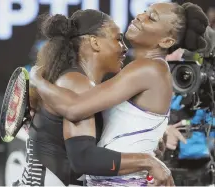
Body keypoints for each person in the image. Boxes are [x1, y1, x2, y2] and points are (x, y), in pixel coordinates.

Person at [30, 2, 209, 186]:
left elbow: (75, 108)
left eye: (152, 17)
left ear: (166, 41)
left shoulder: (149, 68)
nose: (141, 16)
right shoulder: (144, 69)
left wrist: (37, 79)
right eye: (145, 11)